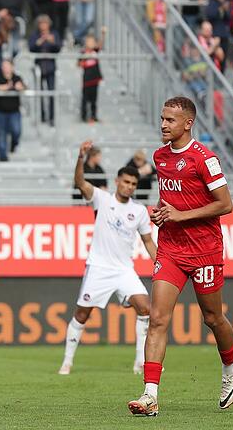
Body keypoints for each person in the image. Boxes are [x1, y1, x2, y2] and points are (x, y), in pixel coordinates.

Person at [128, 97, 233, 416]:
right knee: (159, 318)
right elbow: (172, 201)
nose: (163, 124)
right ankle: (150, 395)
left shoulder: (205, 159)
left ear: (187, 123)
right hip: (172, 249)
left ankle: (232, 367)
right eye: (162, 118)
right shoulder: (159, 156)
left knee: (212, 317)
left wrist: (181, 215)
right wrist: (164, 215)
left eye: (170, 120)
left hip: (205, 249)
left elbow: (226, 204)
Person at [60, 140, 157, 376]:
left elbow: (147, 241)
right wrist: (80, 158)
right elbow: (80, 182)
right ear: (117, 181)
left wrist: (161, 264)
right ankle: (67, 362)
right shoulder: (102, 199)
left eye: (133, 184)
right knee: (81, 314)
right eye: (125, 182)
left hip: (124, 270)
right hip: (99, 268)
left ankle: (140, 362)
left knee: (146, 308)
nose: (129, 187)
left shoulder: (140, 211)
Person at [28, 14, 61, 125]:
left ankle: (52, 117)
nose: (43, 26)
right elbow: (31, 48)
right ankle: (42, 116)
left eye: (45, 23)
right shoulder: (35, 35)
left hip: (50, 67)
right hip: (39, 67)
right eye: (41, 23)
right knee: (40, 93)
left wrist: (52, 41)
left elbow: (58, 48)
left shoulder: (54, 34)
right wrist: (40, 41)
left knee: (51, 93)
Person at [0, 59, 25, 162]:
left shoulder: (17, 78)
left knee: (16, 131)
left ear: (12, 67)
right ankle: (3, 156)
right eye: (3, 66)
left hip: (14, 111)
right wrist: (8, 87)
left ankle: (13, 144)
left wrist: (20, 87)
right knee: (1, 133)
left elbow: (23, 87)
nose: (5, 68)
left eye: (7, 66)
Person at [79, 28, 106, 123]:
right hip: (86, 80)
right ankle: (84, 116)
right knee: (85, 99)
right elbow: (79, 65)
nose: (90, 44)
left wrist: (103, 34)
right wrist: (85, 58)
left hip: (95, 79)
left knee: (94, 100)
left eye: (92, 42)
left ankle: (94, 116)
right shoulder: (83, 53)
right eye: (88, 42)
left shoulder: (95, 51)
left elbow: (101, 45)